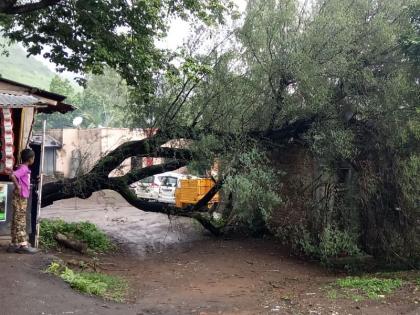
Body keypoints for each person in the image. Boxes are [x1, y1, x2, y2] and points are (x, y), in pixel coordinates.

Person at [7, 148, 38, 254]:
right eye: (33, 157)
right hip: (20, 198)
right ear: (30, 159)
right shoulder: (24, 168)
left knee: (16, 219)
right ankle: (23, 245)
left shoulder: (23, 168)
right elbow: (13, 175)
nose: (34, 159)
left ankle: (14, 243)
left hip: (19, 197)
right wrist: (18, 186)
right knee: (21, 220)